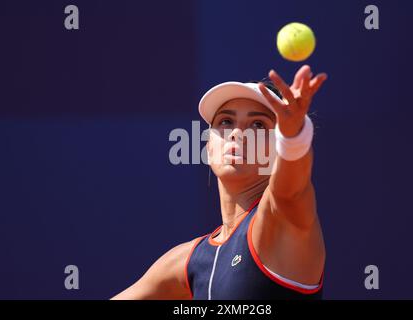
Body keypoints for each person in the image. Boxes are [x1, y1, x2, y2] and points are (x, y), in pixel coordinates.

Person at [112, 65, 327, 300]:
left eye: (258, 125)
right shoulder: (187, 261)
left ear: (278, 148)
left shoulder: (280, 220)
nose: (237, 133)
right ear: (207, 146)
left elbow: (290, 193)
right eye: (225, 122)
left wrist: (294, 136)